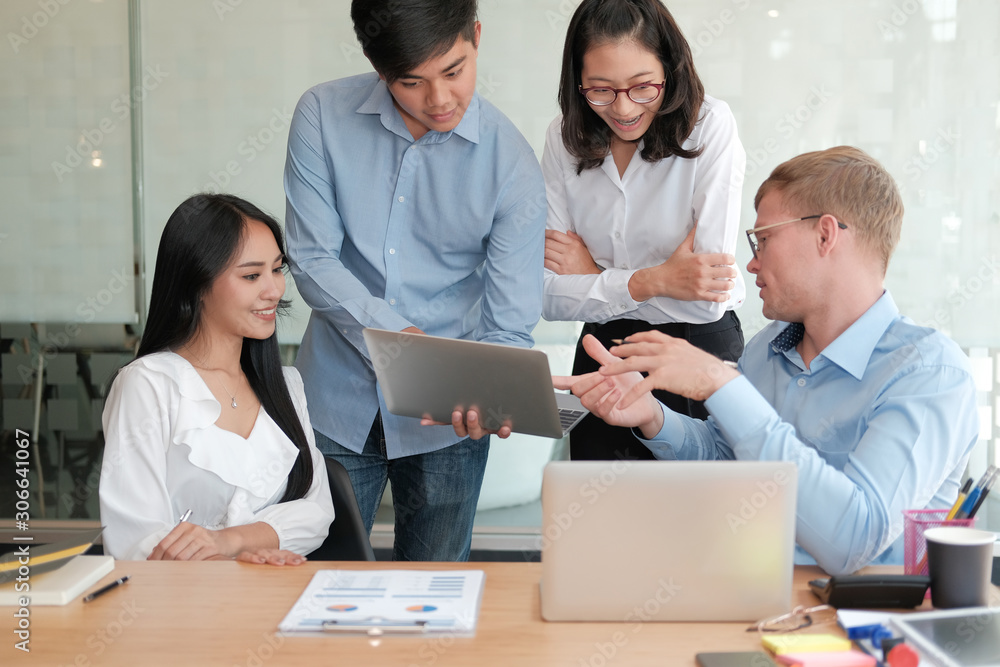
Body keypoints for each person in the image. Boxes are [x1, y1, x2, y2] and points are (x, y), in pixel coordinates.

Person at [555, 146, 978, 575]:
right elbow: (728, 463)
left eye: (764, 239)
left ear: (825, 235)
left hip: (858, 628)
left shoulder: (929, 374)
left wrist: (723, 386)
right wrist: (652, 417)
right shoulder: (768, 348)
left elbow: (855, 540)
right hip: (745, 594)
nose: (751, 263)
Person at [283, 0, 545, 561]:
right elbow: (310, 259)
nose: (440, 99)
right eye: (411, 81)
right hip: (336, 401)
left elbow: (510, 323)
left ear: (476, 34)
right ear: (379, 69)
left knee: (435, 593)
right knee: (319, 583)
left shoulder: (512, 164)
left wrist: (496, 392)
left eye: (455, 70)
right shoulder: (322, 116)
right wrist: (399, 338)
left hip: (448, 423)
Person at [542, 0, 746, 462]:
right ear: (578, 83)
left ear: (670, 71)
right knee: (600, 522)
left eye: (642, 87)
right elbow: (548, 296)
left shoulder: (709, 127)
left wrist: (594, 273)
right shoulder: (563, 136)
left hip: (693, 350)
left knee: (696, 521)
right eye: (600, 90)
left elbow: (705, 296)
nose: (624, 107)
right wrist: (651, 280)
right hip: (601, 352)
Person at [99, 194, 334, 563]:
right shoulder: (148, 385)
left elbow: (316, 511)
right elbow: (135, 537)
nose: (274, 290)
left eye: (277, 269)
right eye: (252, 275)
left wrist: (231, 542)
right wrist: (244, 548)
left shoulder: (286, 385)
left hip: (273, 596)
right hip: (182, 608)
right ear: (197, 283)